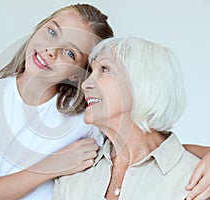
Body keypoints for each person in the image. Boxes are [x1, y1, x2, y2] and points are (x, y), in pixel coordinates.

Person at [0, 4, 210, 200]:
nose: (50, 51)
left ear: (78, 73)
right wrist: (52, 166)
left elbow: (144, 146)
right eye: (52, 31)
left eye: (70, 53)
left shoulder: (85, 114)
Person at [52, 37, 209, 200]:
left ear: (142, 82)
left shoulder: (198, 181)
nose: (85, 85)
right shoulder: (73, 175)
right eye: (92, 71)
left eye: (104, 69)